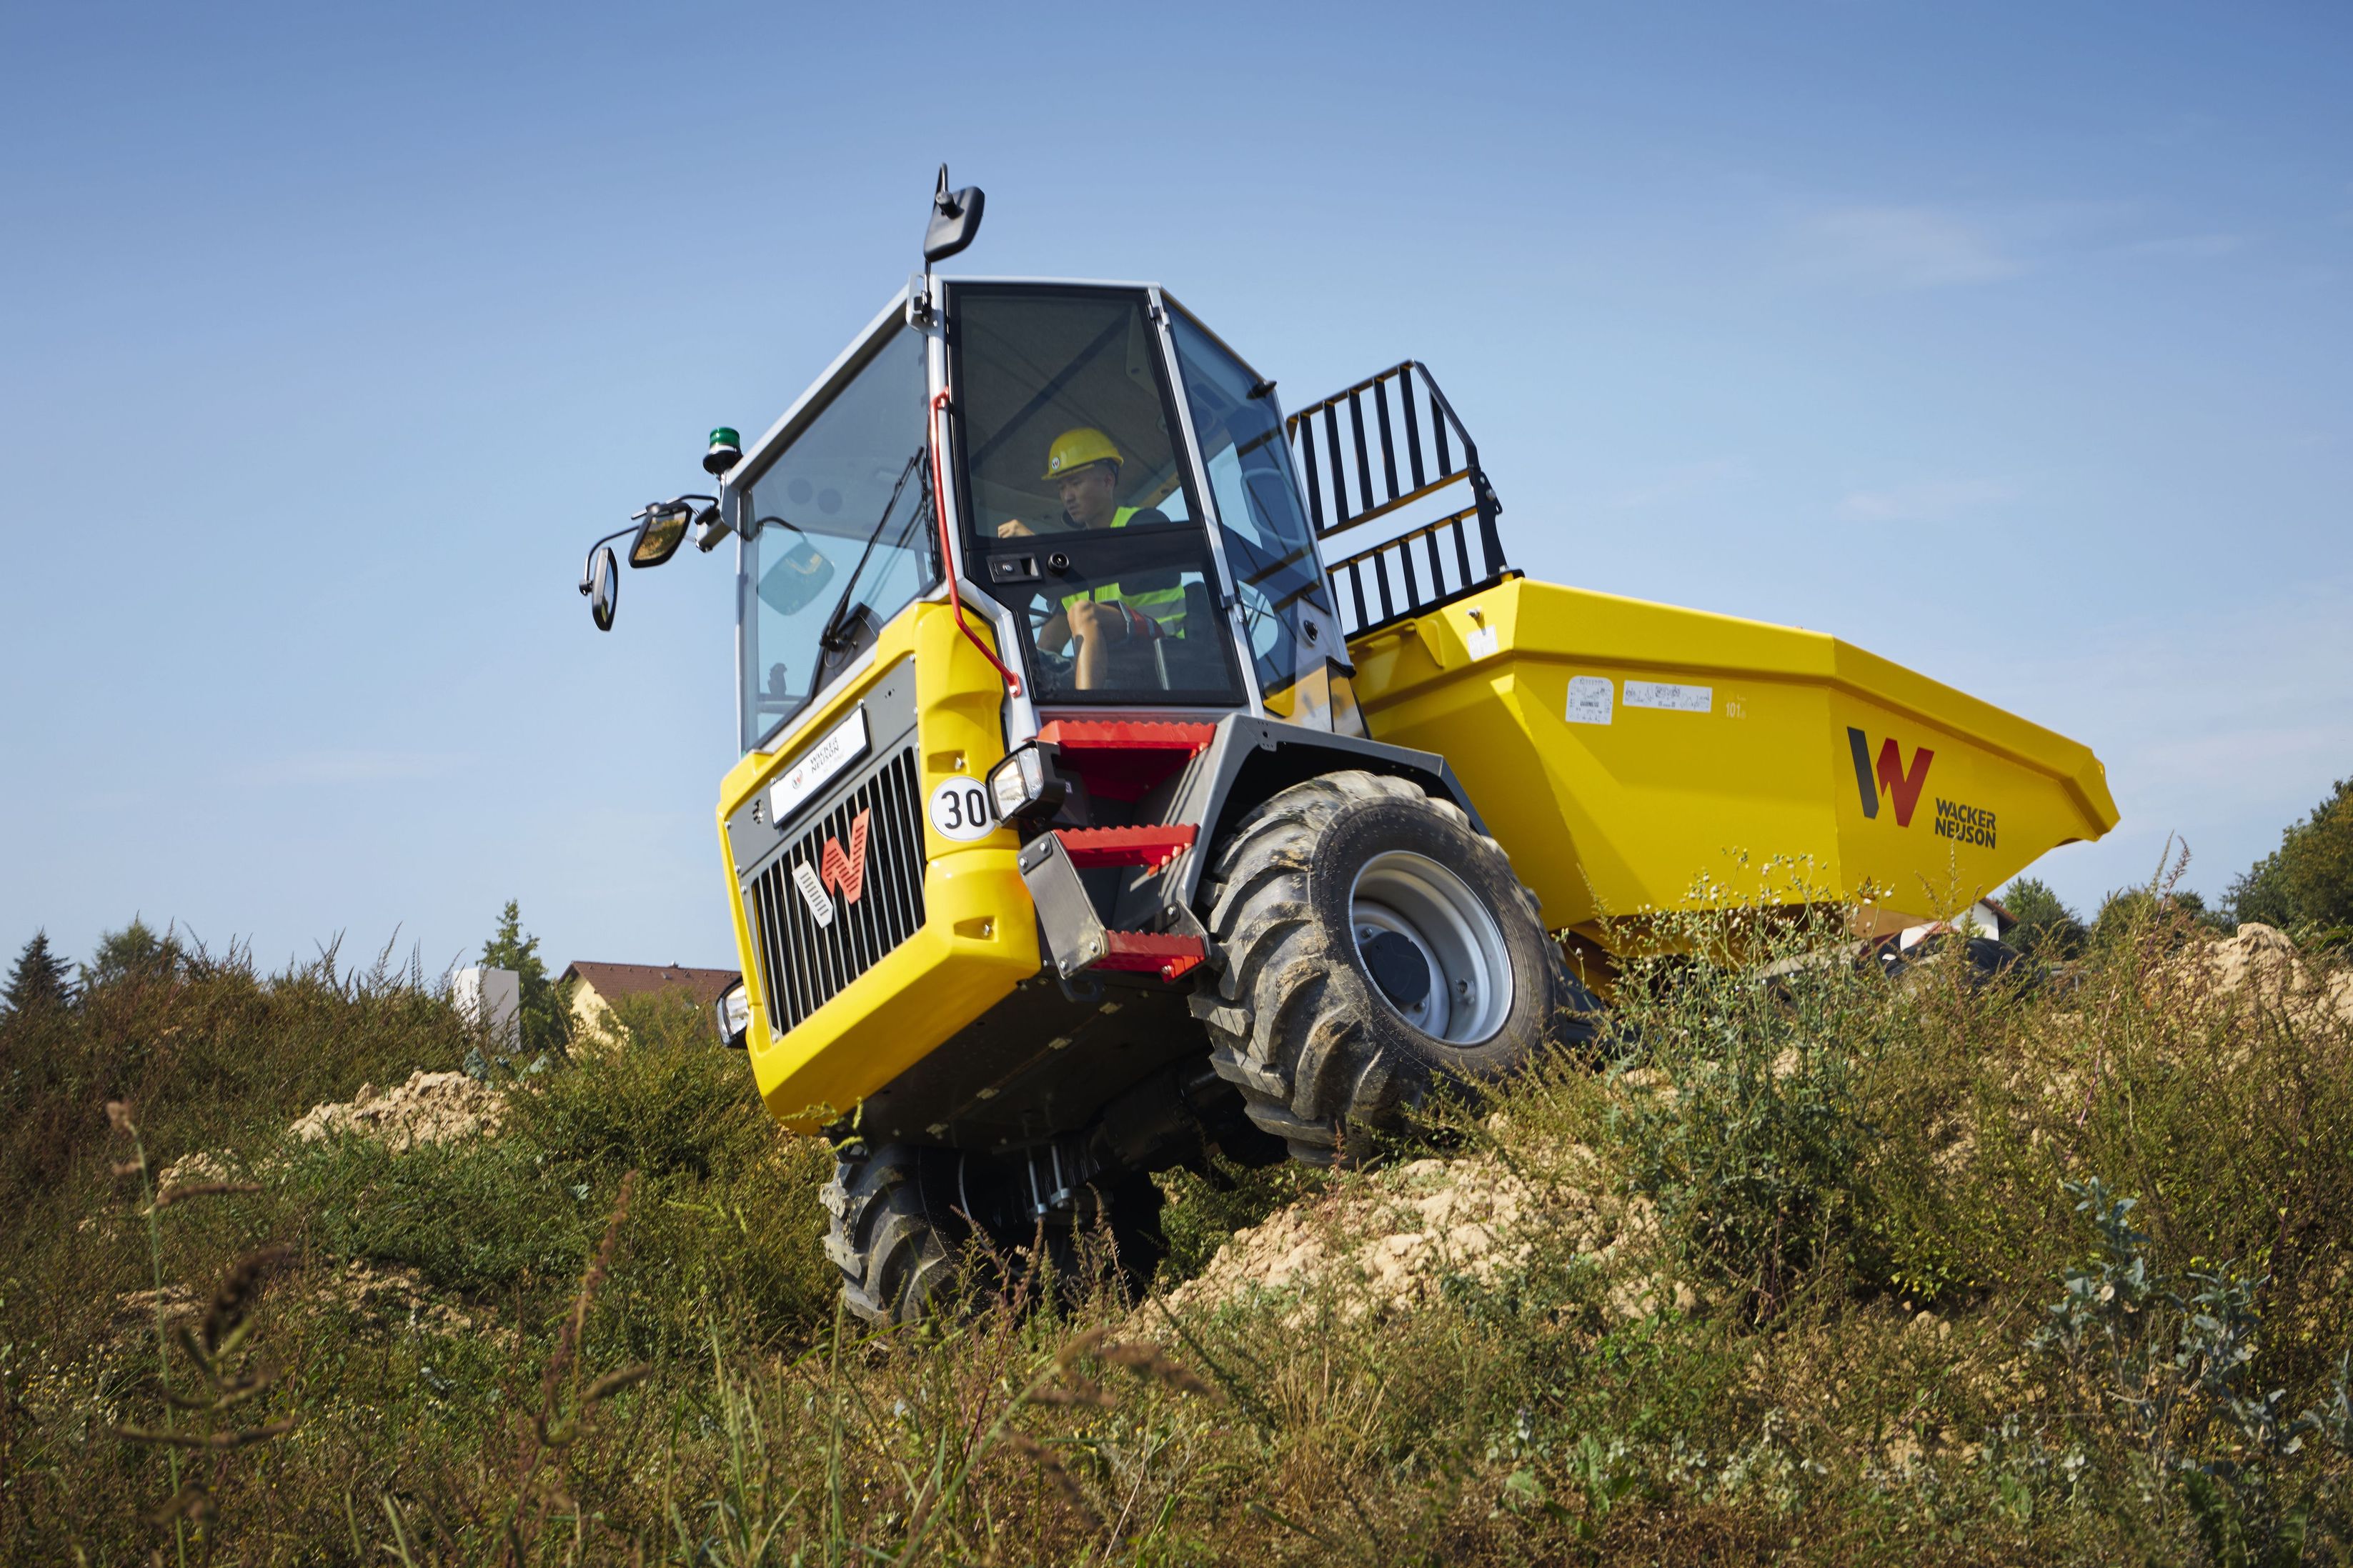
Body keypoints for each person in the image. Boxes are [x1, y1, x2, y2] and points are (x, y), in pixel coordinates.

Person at [997, 427, 1186, 690]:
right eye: (1061, 488)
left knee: (1083, 612)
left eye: (1075, 483)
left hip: (1165, 648)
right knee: (1044, 644)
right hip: (1117, 658)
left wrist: (1037, 546)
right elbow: (1053, 637)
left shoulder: (1144, 523)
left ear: (1108, 482)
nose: (1067, 497)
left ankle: (1086, 715)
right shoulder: (1077, 562)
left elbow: (1109, 561)